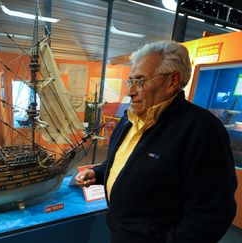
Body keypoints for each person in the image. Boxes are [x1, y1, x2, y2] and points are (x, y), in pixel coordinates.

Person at [76, 40, 237, 243]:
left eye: (140, 81)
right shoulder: (130, 119)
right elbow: (124, 161)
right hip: (120, 233)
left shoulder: (202, 130)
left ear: (172, 81)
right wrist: (99, 173)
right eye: (130, 81)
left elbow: (212, 213)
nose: (130, 91)